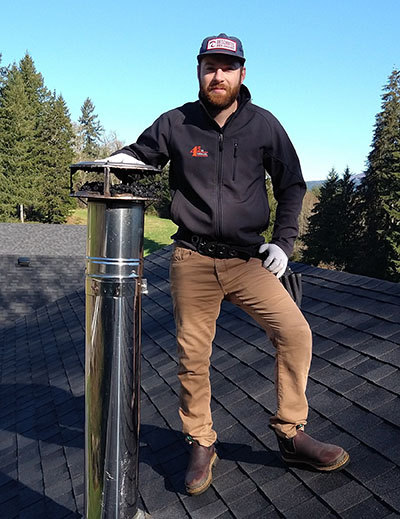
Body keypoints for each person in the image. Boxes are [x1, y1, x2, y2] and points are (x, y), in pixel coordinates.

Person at [104, 33, 350, 495]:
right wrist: (119, 161)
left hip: (247, 261)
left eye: (227, 66)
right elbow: (137, 158)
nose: (218, 75)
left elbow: (292, 185)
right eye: (210, 66)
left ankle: (291, 433)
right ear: (198, 71)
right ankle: (200, 441)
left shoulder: (263, 125)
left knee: (295, 333)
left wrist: (284, 242)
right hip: (192, 259)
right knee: (193, 357)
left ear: (242, 73)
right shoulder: (176, 122)